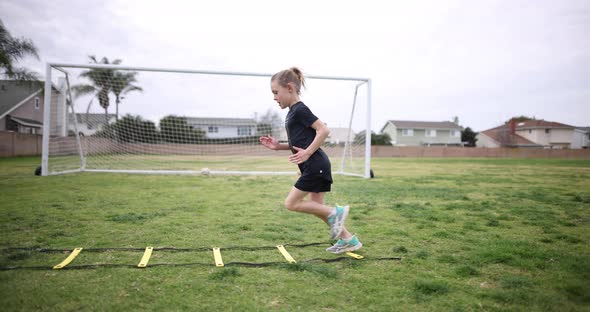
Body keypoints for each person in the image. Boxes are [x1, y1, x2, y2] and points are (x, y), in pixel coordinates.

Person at [259, 67, 362, 254]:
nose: (274, 97)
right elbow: (299, 142)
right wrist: (279, 146)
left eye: (276, 92)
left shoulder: (300, 109)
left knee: (291, 204)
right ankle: (349, 240)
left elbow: (324, 130)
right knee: (318, 208)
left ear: (289, 87)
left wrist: (306, 153)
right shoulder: (292, 112)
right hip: (315, 164)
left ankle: (336, 212)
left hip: (315, 165)